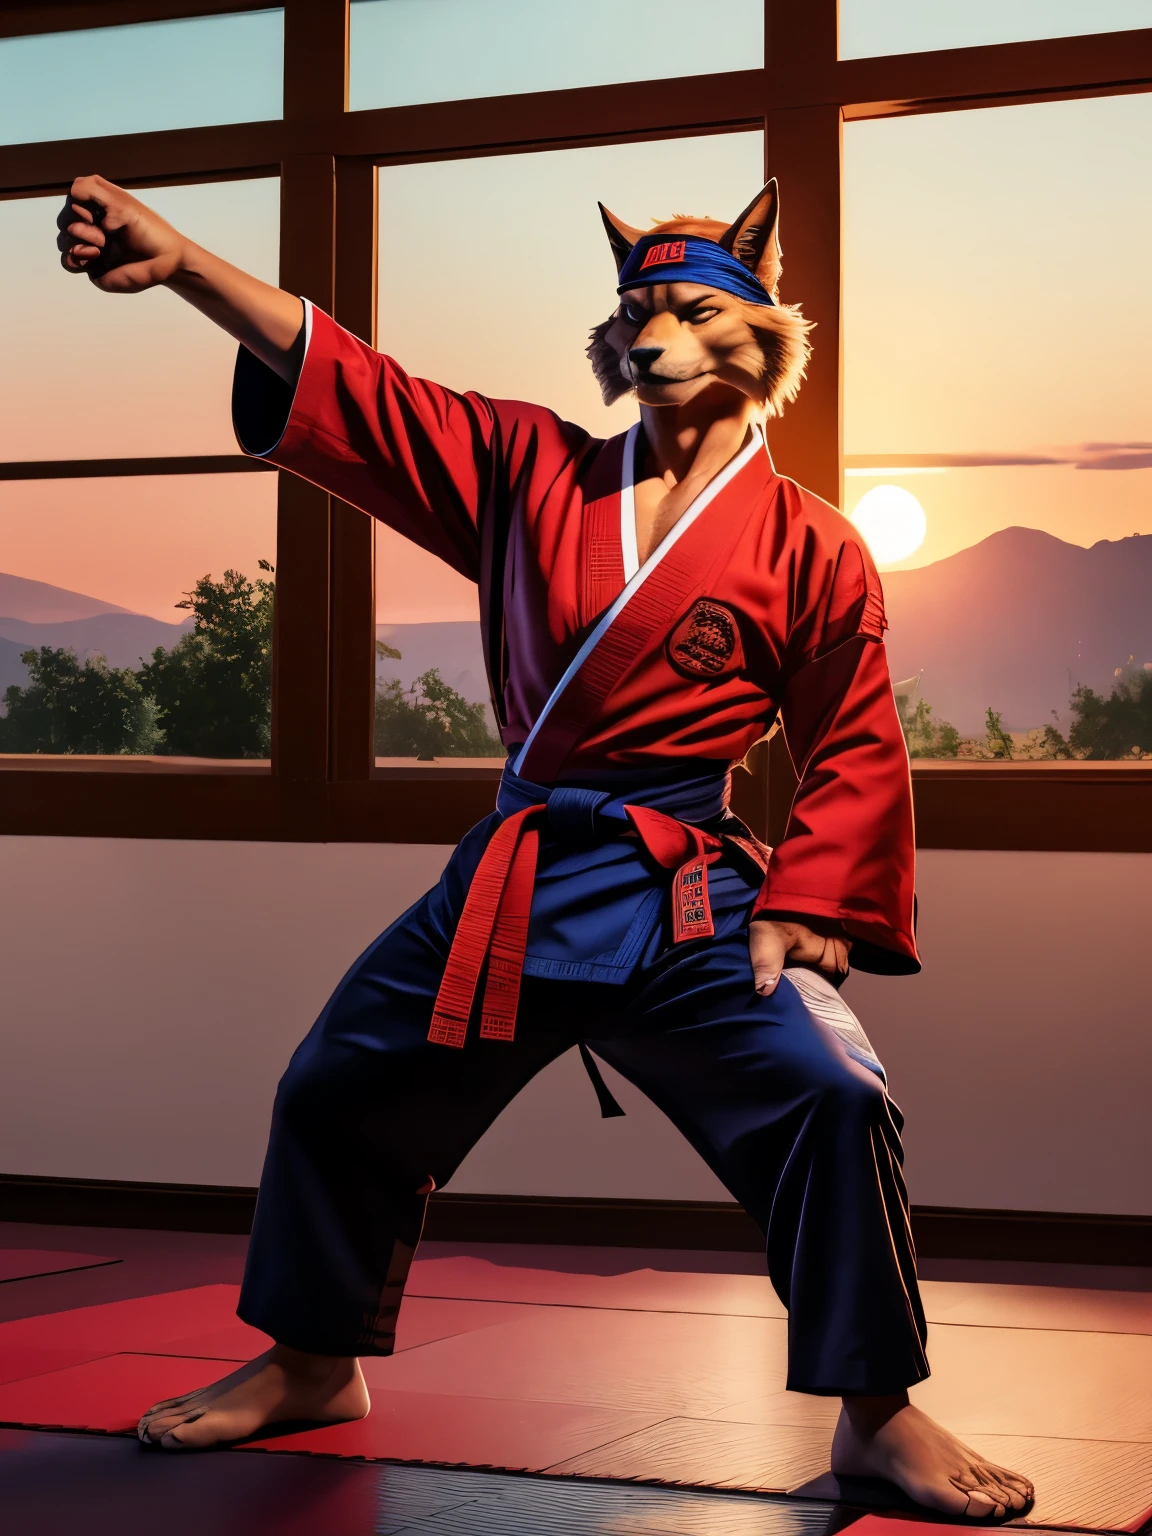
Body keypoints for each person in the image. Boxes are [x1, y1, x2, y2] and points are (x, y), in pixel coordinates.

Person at [57, 172, 1032, 1520]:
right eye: (637, 310)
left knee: (836, 1098)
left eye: (689, 309)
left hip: (682, 890)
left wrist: (812, 901)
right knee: (337, 1081)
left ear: (761, 331)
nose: (652, 332)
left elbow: (855, 738)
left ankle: (879, 1411)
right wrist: (180, 266)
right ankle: (312, 1359)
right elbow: (361, 387)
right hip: (517, 878)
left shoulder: (814, 544)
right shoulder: (531, 468)